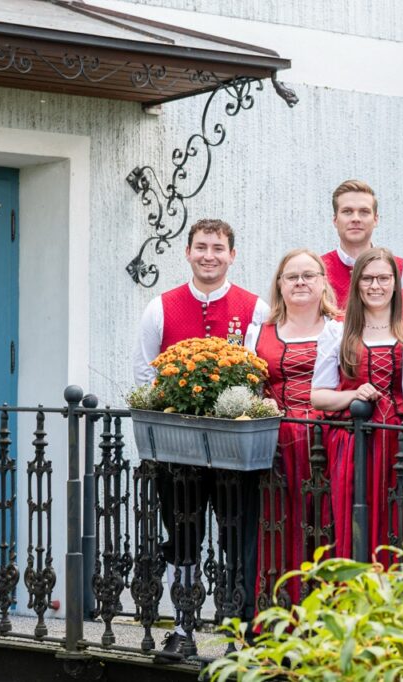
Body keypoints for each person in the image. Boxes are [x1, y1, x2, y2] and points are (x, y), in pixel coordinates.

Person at [132, 218, 270, 661]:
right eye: (202, 247)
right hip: (179, 452)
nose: (209, 256)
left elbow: (261, 375)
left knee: (235, 540)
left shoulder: (255, 308)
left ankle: (236, 635)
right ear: (188, 252)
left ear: (232, 255)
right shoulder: (160, 307)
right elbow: (145, 374)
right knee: (183, 539)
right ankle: (183, 628)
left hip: (234, 453)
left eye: (218, 248)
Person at [245, 248, 340, 604]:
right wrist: (260, 404)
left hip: (328, 439)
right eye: (292, 276)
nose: (300, 282)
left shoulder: (340, 328)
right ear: (280, 285)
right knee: (280, 523)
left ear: (323, 283)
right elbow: (247, 388)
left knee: (326, 522)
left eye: (308, 275)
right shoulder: (258, 332)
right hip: (278, 443)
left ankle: (325, 609)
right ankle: (280, 611)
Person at [310, 247, 403, 562]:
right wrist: (353, 394)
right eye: (367, 278)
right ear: (356, 284)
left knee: (399, 518)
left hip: (402, 443)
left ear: (395, 283)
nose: (375, 286)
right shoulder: (338, 330)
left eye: (383, 278)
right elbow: (318, 396)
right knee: (354, 518)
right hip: (354, 442)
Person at [321, 179, 403, 309]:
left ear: (375, 219)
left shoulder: (402, 271)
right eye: (347, 211)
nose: (356, 218)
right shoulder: (318, 270)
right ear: (335, 220)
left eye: (364, 212)